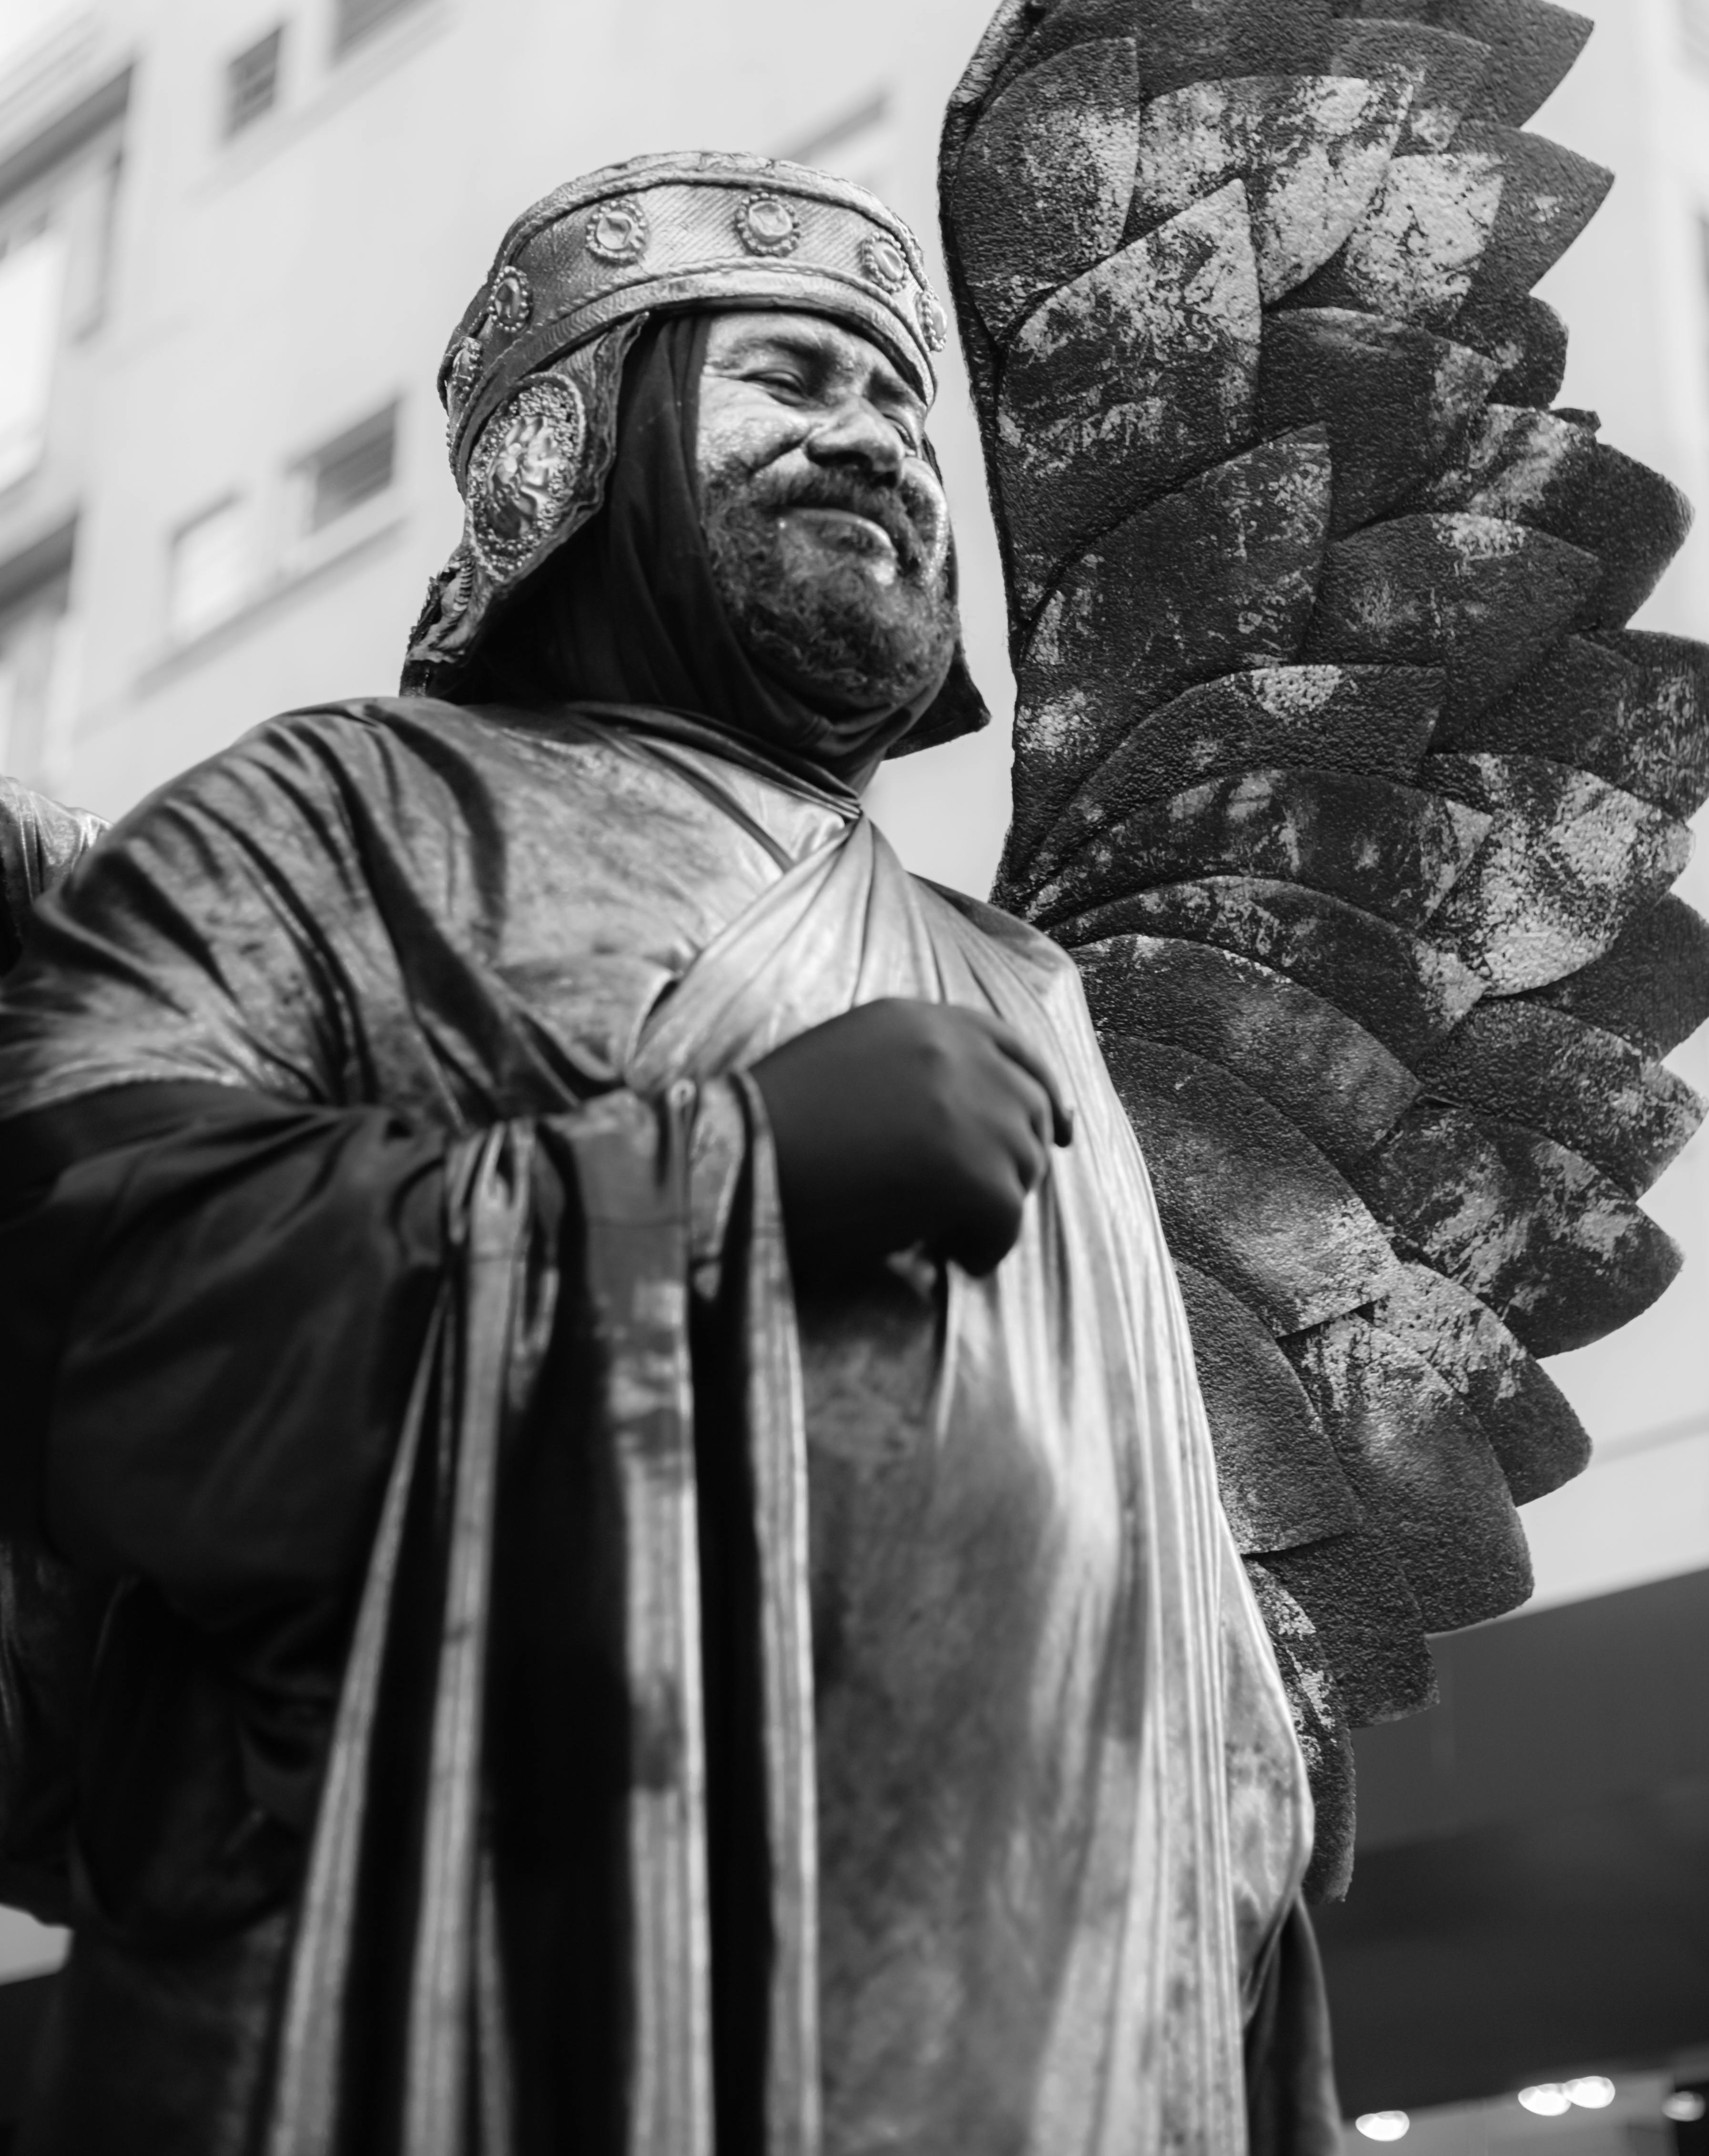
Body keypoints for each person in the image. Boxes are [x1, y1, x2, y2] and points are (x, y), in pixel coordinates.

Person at [0, 153, 1334, 2156]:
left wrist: (1243, 1859)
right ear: (580, 447)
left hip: (1028, 2031)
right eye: (792, 377)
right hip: (459, 2012)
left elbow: (1156, 1573)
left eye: (902, 409)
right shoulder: (328, 822)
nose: (877, 442)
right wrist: (725, 1181)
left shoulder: (1024, 986)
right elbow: (84, 1297)